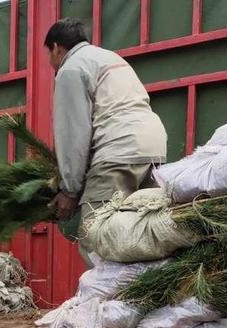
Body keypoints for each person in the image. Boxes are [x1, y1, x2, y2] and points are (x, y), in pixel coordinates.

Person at [44, 18, 167, 261]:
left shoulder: (70, 68)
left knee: (96, 238)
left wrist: (69, 189)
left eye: (48, 54)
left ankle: (115, 298)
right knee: (143, 233)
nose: (50, 62)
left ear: (57, 47)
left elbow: (74, 133)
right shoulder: (111, 58)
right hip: (153, 145)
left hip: (119, 150)